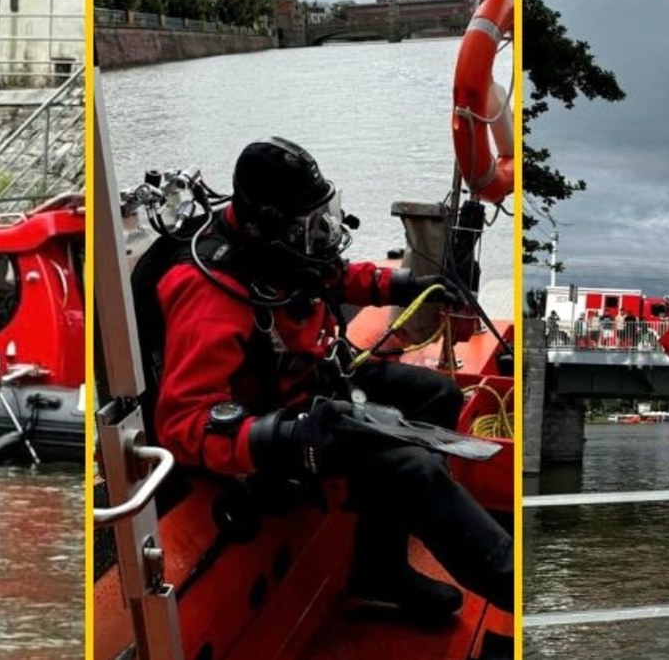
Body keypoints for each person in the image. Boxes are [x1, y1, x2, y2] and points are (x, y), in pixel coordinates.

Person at [147, 137, 514, 620]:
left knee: (437, 394)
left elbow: (333, 275)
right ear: (266, 225)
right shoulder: (209, 293)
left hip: (313, 386)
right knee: (413, 468)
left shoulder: (283, 248)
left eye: (324, 218)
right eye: (311, 226)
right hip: (272, 430)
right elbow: (181, 423)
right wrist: (287, 437)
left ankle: (380, 562)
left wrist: (406, 284)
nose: (321, 236)